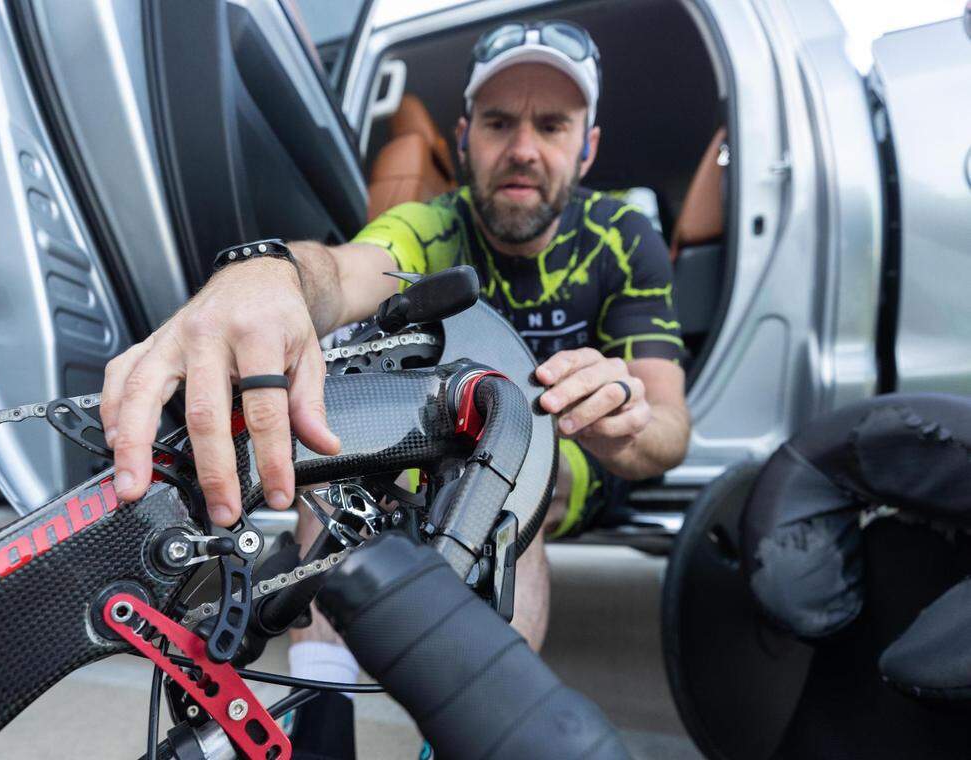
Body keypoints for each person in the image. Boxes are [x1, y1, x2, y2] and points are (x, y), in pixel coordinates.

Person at [100, 18, 689, 750]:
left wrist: (627, 415)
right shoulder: (429, 225)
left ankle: (474, 730)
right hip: (436, 432)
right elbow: (342, 271)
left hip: (567, 459)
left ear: (588, 145)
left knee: (514, 486)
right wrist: (266, 275)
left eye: (552, 125)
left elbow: (669, 431)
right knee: (332, 437)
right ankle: (322, 722)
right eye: (499, 123)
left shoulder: (623, 238)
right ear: (465, 137)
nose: (524, 148)